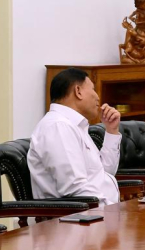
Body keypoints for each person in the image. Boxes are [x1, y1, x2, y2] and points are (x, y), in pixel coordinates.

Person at [28, 68, 121, 205]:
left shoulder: (74, 126)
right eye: (93, 89)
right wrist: (114, 211)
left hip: (97, 214)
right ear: (78, 91)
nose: (97, 97)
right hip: (80, 220)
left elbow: (105, 173)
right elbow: (75, 188)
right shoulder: (58, 127)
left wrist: (111, 131)